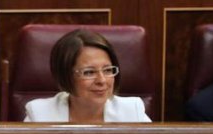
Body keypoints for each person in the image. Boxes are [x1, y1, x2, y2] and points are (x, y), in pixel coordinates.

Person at [23, 29, 151, 123]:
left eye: (107, 70)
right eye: (89, 72)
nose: (101, 80)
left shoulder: (133, 113)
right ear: (65, 75)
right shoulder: (39, 115)